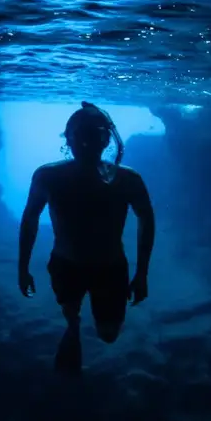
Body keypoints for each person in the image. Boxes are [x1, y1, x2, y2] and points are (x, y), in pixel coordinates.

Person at [17, 102, 155, 374]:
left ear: (105, 140)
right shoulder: (49, 176)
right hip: (70, 265)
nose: (86, 143)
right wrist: (22, 268)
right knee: (73, 313)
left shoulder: (126, 179)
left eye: (94, 136)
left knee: (108, 333)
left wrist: (142, 274)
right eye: (82, 136)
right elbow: (29, 219)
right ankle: (73, 326)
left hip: (106, 267)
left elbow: (147, 220)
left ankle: (73, 325)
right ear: (68, 139)